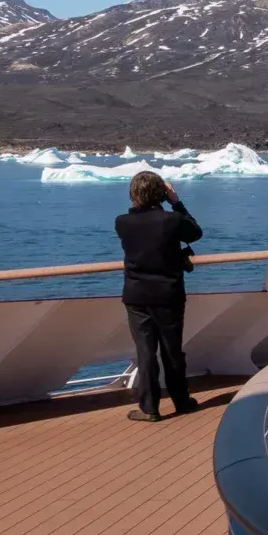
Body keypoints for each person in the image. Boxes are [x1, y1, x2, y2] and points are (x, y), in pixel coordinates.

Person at [115, 170, 203, 422]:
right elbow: (195, 232)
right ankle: (182, 402)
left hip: (136, 295)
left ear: (133, 194)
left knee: (145, 352)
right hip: (168, 294)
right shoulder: (172, 220)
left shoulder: (121, 222)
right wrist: (175, 201)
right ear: (161, 194)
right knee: (172, 351)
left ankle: (150, 408)